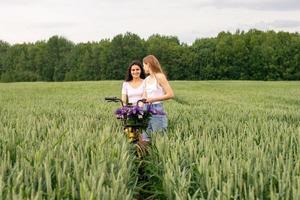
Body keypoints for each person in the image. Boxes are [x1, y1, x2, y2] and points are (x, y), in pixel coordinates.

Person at [142, 55, 174, 141]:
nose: (143, 67)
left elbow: (170, 94)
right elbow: (144, 96)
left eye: (144, 65)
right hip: (146, 109)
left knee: (159, 137)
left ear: (148, 64)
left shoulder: (160, 76)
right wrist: (138, 109)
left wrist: (153, 99)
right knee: (145, 137)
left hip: (157, 109)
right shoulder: (146, 80)